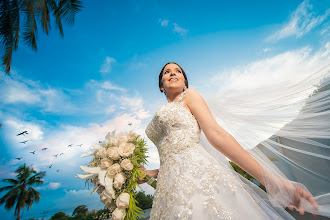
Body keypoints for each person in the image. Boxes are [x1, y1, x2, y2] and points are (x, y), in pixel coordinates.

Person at [138, 62, 328, 220]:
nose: (173, 73)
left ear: (185, 82)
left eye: (178, 71)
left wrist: (272, 182)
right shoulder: (160, 114)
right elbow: (172, 156)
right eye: (167, 72)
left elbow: (217, 135)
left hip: (199, 179)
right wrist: (150, 173)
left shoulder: (190, 96)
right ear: (161, 85)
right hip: (168, 188)